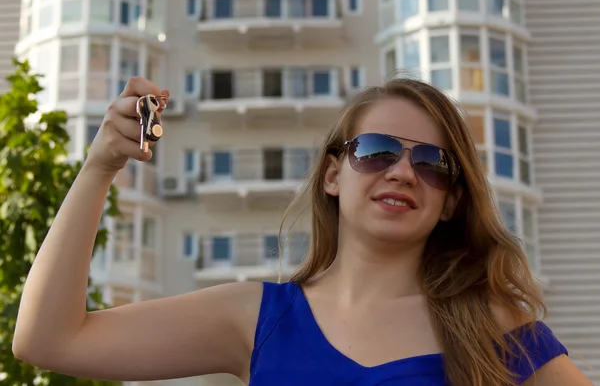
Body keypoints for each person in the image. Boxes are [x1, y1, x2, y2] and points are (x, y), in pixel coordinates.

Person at [12, 76, 594, 386]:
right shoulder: (257, 318)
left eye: (431, 163)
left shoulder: (493, 327)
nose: (401, 171)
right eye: (377, 151)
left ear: (450, 202)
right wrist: (101, 166)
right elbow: (48, 340)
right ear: (334, 175)